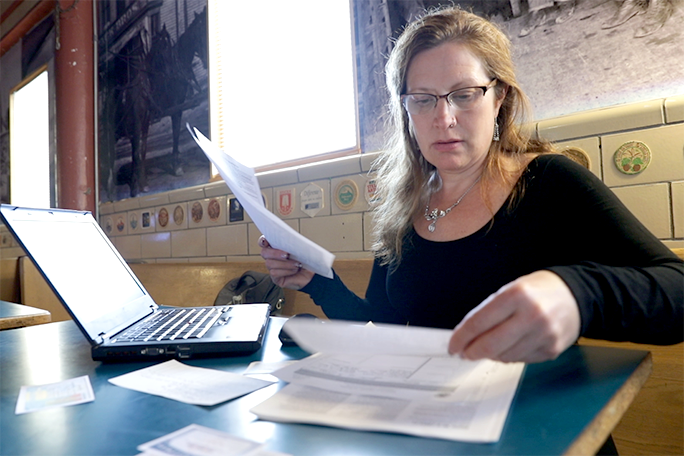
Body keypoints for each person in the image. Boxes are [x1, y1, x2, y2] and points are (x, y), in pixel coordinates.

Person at [260, 6, 684, 365]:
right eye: (423, 100)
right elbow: (384, 324)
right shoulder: (406, 204)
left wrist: (577, 292)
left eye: (464, 94)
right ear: (405, 111)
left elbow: (676, 291)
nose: (443, 119)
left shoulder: (550, 181)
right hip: (437, 422)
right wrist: (316, 281)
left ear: (498, 98)